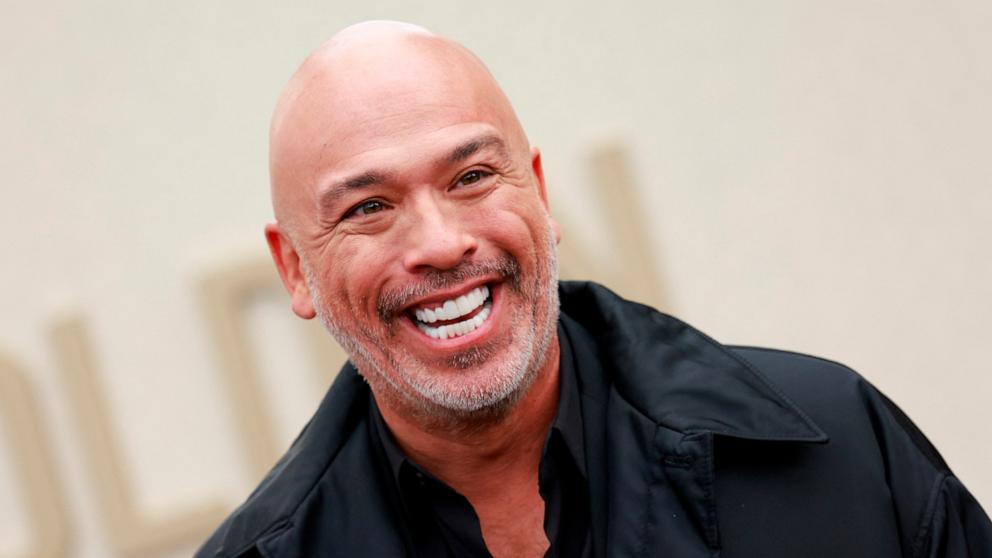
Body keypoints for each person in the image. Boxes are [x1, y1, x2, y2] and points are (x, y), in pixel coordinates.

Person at [197, 21, 991, 558]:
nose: (440, 244)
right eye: (369, 207)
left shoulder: (840, 446)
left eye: (472, 176)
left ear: (538, 194)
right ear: (294, 268)